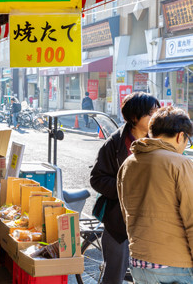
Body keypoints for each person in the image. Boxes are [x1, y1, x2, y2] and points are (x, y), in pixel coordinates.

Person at [117, 106, 193, 283]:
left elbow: (125, 213)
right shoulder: (180, 164)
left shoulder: (128, 163)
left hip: (139, 262)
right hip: (175, 264)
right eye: (187, 141)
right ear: (180, 136)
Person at [90, 92, 159, 284]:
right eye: (152, 112)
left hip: (151, 223)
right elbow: (97, 178)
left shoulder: (159, 142)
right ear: (135, 117)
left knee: (150, 277)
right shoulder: (114, 144)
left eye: (157, 111)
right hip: (118, 224)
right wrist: (126, 190)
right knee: (114, 276)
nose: (156, 116)